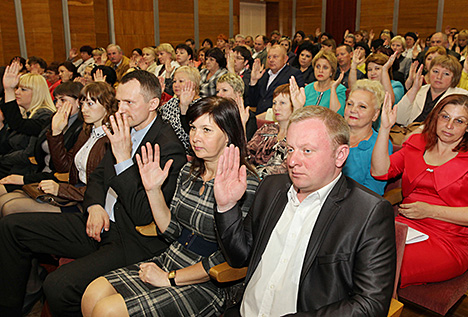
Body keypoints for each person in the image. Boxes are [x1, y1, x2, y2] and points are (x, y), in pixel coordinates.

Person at [0, 70, 186, 316]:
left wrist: (123, 159)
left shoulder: (168, 146)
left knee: (57, 286)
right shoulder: (125, 126)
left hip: (131, 238)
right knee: (12, 226)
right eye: (119, 101)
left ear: (153, 104)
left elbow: (144, 214)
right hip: (100, 221)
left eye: (129, 102)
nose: (120, 109)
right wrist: (95, 206)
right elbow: (98, 176)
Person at [81, 96, 260, 317]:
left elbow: (229, 257)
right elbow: (171, 230)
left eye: (207, 130)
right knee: (92, 294)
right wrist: (153, 190)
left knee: (108, 311)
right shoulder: (189, 172)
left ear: (228, 136)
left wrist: (169, 278)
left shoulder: (245, 183)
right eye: (193, 128)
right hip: (172, 258)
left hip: (208, 280)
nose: (196, 137)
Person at [214, 105, 396, 316]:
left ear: (340, 155)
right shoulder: (271, 188)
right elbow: (239, 257)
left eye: (307, 151)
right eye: (290, 149)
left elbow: (370, 304)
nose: (292, 161)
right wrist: (227, 206)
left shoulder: (368, 213)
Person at [371, 93, 468, 287]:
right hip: (404, 226)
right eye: (445, 117)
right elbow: (379, 171)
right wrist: (384, 129)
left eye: (459, 121)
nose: (449, 126)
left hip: (449, 239)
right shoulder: (417, 144)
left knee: (381, 266)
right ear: (436, 117)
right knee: (357, 251)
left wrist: (430, 211)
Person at [0, 81, 117, 216]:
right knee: (5, 200)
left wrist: (61, 189)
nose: (84, 109)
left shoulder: (112, 138)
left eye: (90, 104)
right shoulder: (87, 132)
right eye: (82, 104)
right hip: (74, 192)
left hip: (90, 203)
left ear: (107, 105)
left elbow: (102, 188)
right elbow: (64, 166)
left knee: (11, 207)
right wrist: (56, 133)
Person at [0, 81, 83, 197]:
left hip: (55, 182)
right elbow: (19, 124)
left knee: (8, 202)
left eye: (63, 100)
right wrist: (8, 90)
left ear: (79, 102)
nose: (58, 105)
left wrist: (24, 179)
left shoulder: (82, 128)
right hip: (39, 174)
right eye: (57, 100)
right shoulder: (52, 118)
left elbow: (63, 170)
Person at [0, 63, 56, 179]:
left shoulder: (44, 115)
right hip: (14, 167)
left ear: (37, 93)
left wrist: (8, 90)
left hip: (26, 172)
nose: (17, 92)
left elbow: (29, 154)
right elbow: (8, 143)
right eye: (17, 88)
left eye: (23, 89)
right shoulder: (29, 113)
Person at [343, 79, 392, 195]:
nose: (353, 110)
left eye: (362, 107)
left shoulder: (380, 144)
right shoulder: (332, 135)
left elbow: (373, 191)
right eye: (350, 104)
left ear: (375, 115)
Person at [247, 80, 303, 178]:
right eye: (274, 103)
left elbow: (285, 168)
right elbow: (247, 154)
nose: (276, 107)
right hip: (253, 179)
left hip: (278, 184)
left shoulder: (298, 134)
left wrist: (254, 173)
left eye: (282, 103)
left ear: (293, 105)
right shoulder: (266, 129)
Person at [396, 55, 468, 126]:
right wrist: (414, 89)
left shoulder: (461, 96)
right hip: (409, 132)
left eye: (446, 74)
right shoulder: (419, 90)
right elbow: (399, 119)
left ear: (454, 77)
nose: (439, 77)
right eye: (435, 71)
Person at [249, 45, 304, 115]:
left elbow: (296, 102)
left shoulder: (294, 74)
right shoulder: (264, 73)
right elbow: (253, 102)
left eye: (275, 57)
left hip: (280, 117)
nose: (271, 60)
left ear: (285, 59)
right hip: (259, 117)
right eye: (269, 57)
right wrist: (253, 81)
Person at [159, 66, 201, 152]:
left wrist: (184, 107)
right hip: (164, 147)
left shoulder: (201, 106)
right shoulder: (174, 101)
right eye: (174, 81)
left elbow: (190, 135)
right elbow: (156, 118)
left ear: (194, 84)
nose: (176, 85)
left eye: (181, 81)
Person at [304, 50, 346, 115]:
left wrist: (333, 89)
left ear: (332, 71)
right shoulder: (308, 88)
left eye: (325, 67)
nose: (320, 70)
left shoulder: (339, 89)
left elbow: (337, 115)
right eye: (317, 66)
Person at [216, 72, 256, 141]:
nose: (219, 95)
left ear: (238, 93)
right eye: (218, 91)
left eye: (224, 90)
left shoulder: (249, 117)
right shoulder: (215, 112)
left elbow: (246, 146)